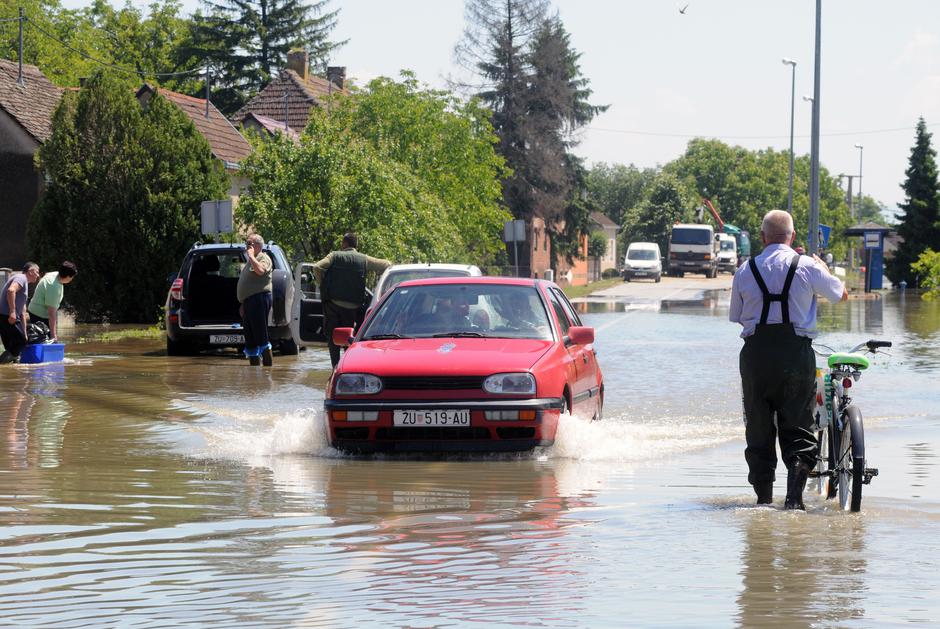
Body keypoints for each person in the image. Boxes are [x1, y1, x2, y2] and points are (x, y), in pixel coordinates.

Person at [730, 210, 848, 510]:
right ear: (792, 236)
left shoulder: (745, 270)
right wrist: (823, 267)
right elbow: (841, 295)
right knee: (798, 427)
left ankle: (763, 500)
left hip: (755, 357)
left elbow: (736, 317)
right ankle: (794, 501)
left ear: (762, 236)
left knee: (758, 426)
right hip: (796, 356)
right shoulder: (807, 266)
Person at [312, 233, 391, 368]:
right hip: (352, 306)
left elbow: (317, 267)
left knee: (332, 336)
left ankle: (335, 367)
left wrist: (323, 285)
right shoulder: (363, 259)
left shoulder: (334, 256)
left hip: (332, 304)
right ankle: (348, 367)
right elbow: (387, 264)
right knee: (349, 337)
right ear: (356, 245)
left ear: (344, 243)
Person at [237, 234, 274, 367]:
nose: (246, 246)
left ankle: (268, 374)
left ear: (257, 245)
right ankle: (254, 376)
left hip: (259, 300)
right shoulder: (251, 261)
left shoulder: (264, 257)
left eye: (249, 243)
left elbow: (260, 271)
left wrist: (251, 256)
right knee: (251, 341)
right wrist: (243, 303)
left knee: (261, 338)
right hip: (249, 303)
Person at [0, 262, 41, 364]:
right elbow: (11, 290)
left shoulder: (24, 284)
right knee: (20, 342)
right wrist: (12, 312)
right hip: (6, 316)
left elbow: (23, 311)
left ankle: (13, 372)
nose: (38, 275)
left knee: (16, 345)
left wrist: (25, 333)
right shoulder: (21, 278)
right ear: (31, 271)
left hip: (5, 317)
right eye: (37, 272)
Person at [27, 261, 77, 342]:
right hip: (39, 315)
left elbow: (46, 274)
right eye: (72, 277)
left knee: (41, 338)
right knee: (45, 340)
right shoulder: (54, 287)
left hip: (34, 308)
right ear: (67, 277)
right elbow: (51, 313)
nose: (72, 279)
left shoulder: (55, 274)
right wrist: (53, 335)